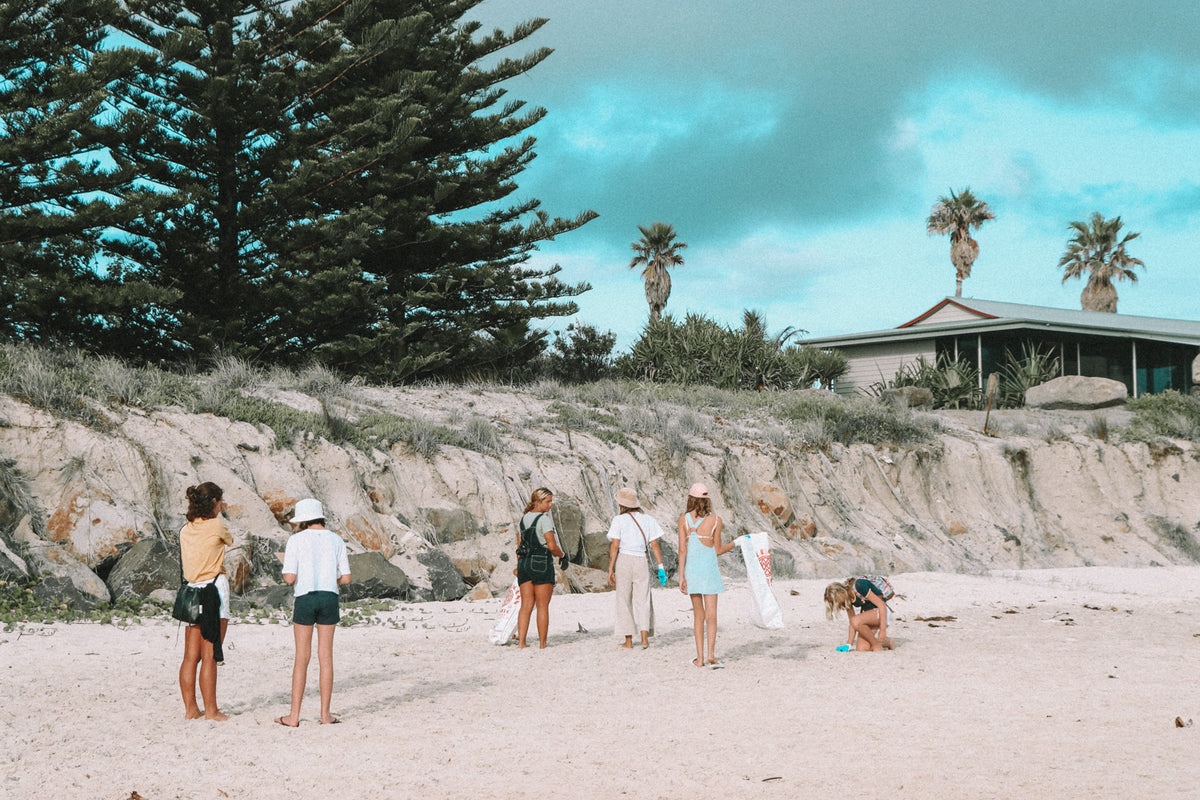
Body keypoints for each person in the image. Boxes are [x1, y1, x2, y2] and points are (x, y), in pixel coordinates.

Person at [275, 498, 352, 727]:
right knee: (325, 656)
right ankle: (326, 715)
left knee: (302, 658)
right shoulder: (336, 539)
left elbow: (289, 578)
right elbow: (346, 578)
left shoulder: (296, 540)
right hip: (329, 596)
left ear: (303, 520)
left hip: (305, 597)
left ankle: (294, 716)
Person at [178, 481, 233, 721]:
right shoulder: (217, 525)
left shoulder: (185, 529)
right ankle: (212, 710)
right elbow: (229, 540)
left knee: (191, 656)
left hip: (191, 591)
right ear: (214, 502)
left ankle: (191, 709)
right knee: (210, 653)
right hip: (213, 590)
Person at [677, 483, 736, 667]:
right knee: (712, 615)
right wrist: (734, 544)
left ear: (690, 499)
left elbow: (681, 550)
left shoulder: (683, 520)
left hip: (692, 572)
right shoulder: (716, 520)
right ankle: (711, 654)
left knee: (698, 616)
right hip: (709, 571)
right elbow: (718, 550)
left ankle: (700, 658)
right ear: (707, 500)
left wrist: (681, 577)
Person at [607, 487, 666, 649]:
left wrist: (610, 568)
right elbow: (654, 544)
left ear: (621, 504)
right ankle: (645, 638)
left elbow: (615, 545)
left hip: (624, 560)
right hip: (641, 560)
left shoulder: (618, 520)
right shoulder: (648, 520)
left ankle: (628, 640)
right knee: (643, 598)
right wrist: (661, 567)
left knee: (623, 599)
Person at [515, 487, 565, 649]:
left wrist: (519, 566)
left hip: (524, 564)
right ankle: (543, 644)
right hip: (541, 562)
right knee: (542, 605)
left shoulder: (522, 520)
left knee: (526, 605)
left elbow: (519, 547)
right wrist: (563, 555)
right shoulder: (544, 520)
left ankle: (522, 642)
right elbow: (551, 546)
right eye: (548, 501)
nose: (550, 505)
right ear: (538, 502)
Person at [824, 576, 894, 651]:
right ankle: (888, 642)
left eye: (836, 599)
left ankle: (876, 645)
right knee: (862, 648)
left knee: (856, 620)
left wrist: (883, 631)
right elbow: (852, 623)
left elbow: (882, 605)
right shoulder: (846, 599)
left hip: (883, 611)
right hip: (871, 615)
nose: (837, 603)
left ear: (841, 592)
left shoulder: (859, 586)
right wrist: (849, 644)